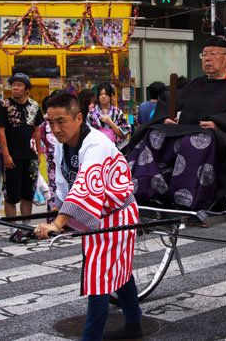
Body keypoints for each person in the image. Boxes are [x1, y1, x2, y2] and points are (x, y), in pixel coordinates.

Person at [33, 93, 142, 341]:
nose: (56, 129)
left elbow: (85, 186)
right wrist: (56, 212)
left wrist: (59, 223)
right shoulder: (63, 144)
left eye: (61, 121)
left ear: (79, 118)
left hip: (117, 213)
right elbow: (64, 184)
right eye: (51, 123)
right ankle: (134, 325)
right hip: (98, 213)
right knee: (117, 271)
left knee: (98, 277)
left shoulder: (96, 143)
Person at [128, 35, 226, 210]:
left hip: (221, 137)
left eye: (213, 54)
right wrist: (167, 118)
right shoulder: (196, 84)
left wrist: (220, 124)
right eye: (204, 55)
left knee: (198, 141)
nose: (207, 58)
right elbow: (168, 100)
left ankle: (188, 198)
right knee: (154, 133)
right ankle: (149, 188)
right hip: (185, 131)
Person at [0, 73, 44, 243]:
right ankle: (13, 229)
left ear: (27, 89)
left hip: (30, 156)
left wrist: (38, 151)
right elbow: (1, 131)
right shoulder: (4, 106)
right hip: (12, 156)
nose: (15, 88)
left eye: (19, 85)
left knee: (27, 193)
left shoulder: (35, 106)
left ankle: (27, 226)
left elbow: (37, 129)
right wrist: (6, 154)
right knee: (11, 194)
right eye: (13, 85)